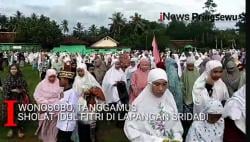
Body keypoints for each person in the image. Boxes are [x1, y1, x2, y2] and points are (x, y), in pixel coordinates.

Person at [124, 68, 183, 142]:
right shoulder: (139, 104)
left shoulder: (169, 99)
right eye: (157, 84)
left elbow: (176, 125)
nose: (161, 88)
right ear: (150, 84)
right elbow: (131, 130)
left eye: (164, 84)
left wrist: (177, 137)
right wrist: (156, 140)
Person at [34, 69, 63, 142]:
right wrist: (45, 103)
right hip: (45, 104)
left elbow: (62, 95)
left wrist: (58, 103)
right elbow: (37, 96)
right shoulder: (41, 84)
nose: (52, 78)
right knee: (45, 116)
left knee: (57, 116)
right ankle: (44, 135)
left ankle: (53, 136)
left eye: (54, 77)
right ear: (47, 76)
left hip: (57, 104)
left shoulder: (59, 83)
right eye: (50, 77)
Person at [2, 64, 28, 138]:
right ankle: (11, 129)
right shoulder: (7, 79)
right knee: (10, 114)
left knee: (20, 113)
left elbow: (25, 88)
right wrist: (12, 91)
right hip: (10, 98)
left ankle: (20, 129)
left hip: (20, 99)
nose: (13, 70)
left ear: (18, 70)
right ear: (10, 70)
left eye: (15, 69)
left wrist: (20, 91)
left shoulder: (21, 79)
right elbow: (5, 90)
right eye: (12, 69)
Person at [56, 69, 79, 142]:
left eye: (60, 79)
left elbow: (71, 108)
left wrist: (61, 100)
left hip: (67, 124)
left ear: (66, 80)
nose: (59, 80)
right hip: (62, 122)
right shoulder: (64, 91)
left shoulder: (73, 93)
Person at [181, 57, 200, 139]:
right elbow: (182, 84)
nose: (190, 67)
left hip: (196, 98)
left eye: (192, 65)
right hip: (186, 98)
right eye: (189, 66)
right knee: (187, 118)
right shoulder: (184, 72)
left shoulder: (197, 72)